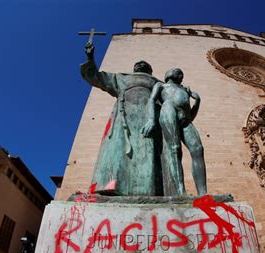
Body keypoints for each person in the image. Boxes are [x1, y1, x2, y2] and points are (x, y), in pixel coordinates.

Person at [80, 42, 162, 196]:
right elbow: (96, 77)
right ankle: (112, 186)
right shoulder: (120, 78)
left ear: (150, 71)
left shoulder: (157, 83)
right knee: (117, 151)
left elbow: (170, 99)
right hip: (123, 118)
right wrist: (90, 57)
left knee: (148, 153)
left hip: (149, 119)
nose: (140, 65)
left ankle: (148, 190)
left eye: (143, 65)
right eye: (138, 64)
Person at [142, 68, 207, 196]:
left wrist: (197, 102)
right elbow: (151, 100)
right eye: (177, 71)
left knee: (198, 149)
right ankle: (179, 192)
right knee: (175, 149)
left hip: (185, 120)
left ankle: (203, 193)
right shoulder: (161, 85)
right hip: (168, 110)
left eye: (180, 72)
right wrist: (151, 119)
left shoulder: (185, 90)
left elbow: (190, 115)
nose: (179, 73)